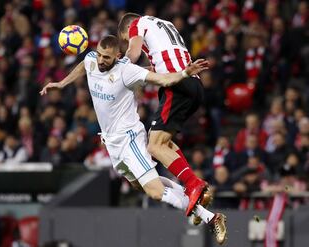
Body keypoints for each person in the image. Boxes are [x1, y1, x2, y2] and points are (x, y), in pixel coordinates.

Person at [40, 35, 227, 244]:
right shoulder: (92, 59)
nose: (101, 61)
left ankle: (210, 217)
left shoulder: (126, 71)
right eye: (100, 55)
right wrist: (63, 83)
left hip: (129, 139)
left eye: (107, 58)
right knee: (141, 186)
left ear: (117, 56)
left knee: (155, 192)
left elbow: (163, 80)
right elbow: (84, 64)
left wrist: (185, 73)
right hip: (111, 142)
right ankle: (189, 196)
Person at [118, 13, 212, 220]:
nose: (130, 41)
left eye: (126, 39)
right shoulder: (165, 24)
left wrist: (119, 68)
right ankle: (193, 184)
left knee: (154, 145)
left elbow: (132, 54)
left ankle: (193, 183)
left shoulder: (136, 24)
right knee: (163, 141)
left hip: (175, 85)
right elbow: (155, 67)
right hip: (194, 84)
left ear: (127, 29)